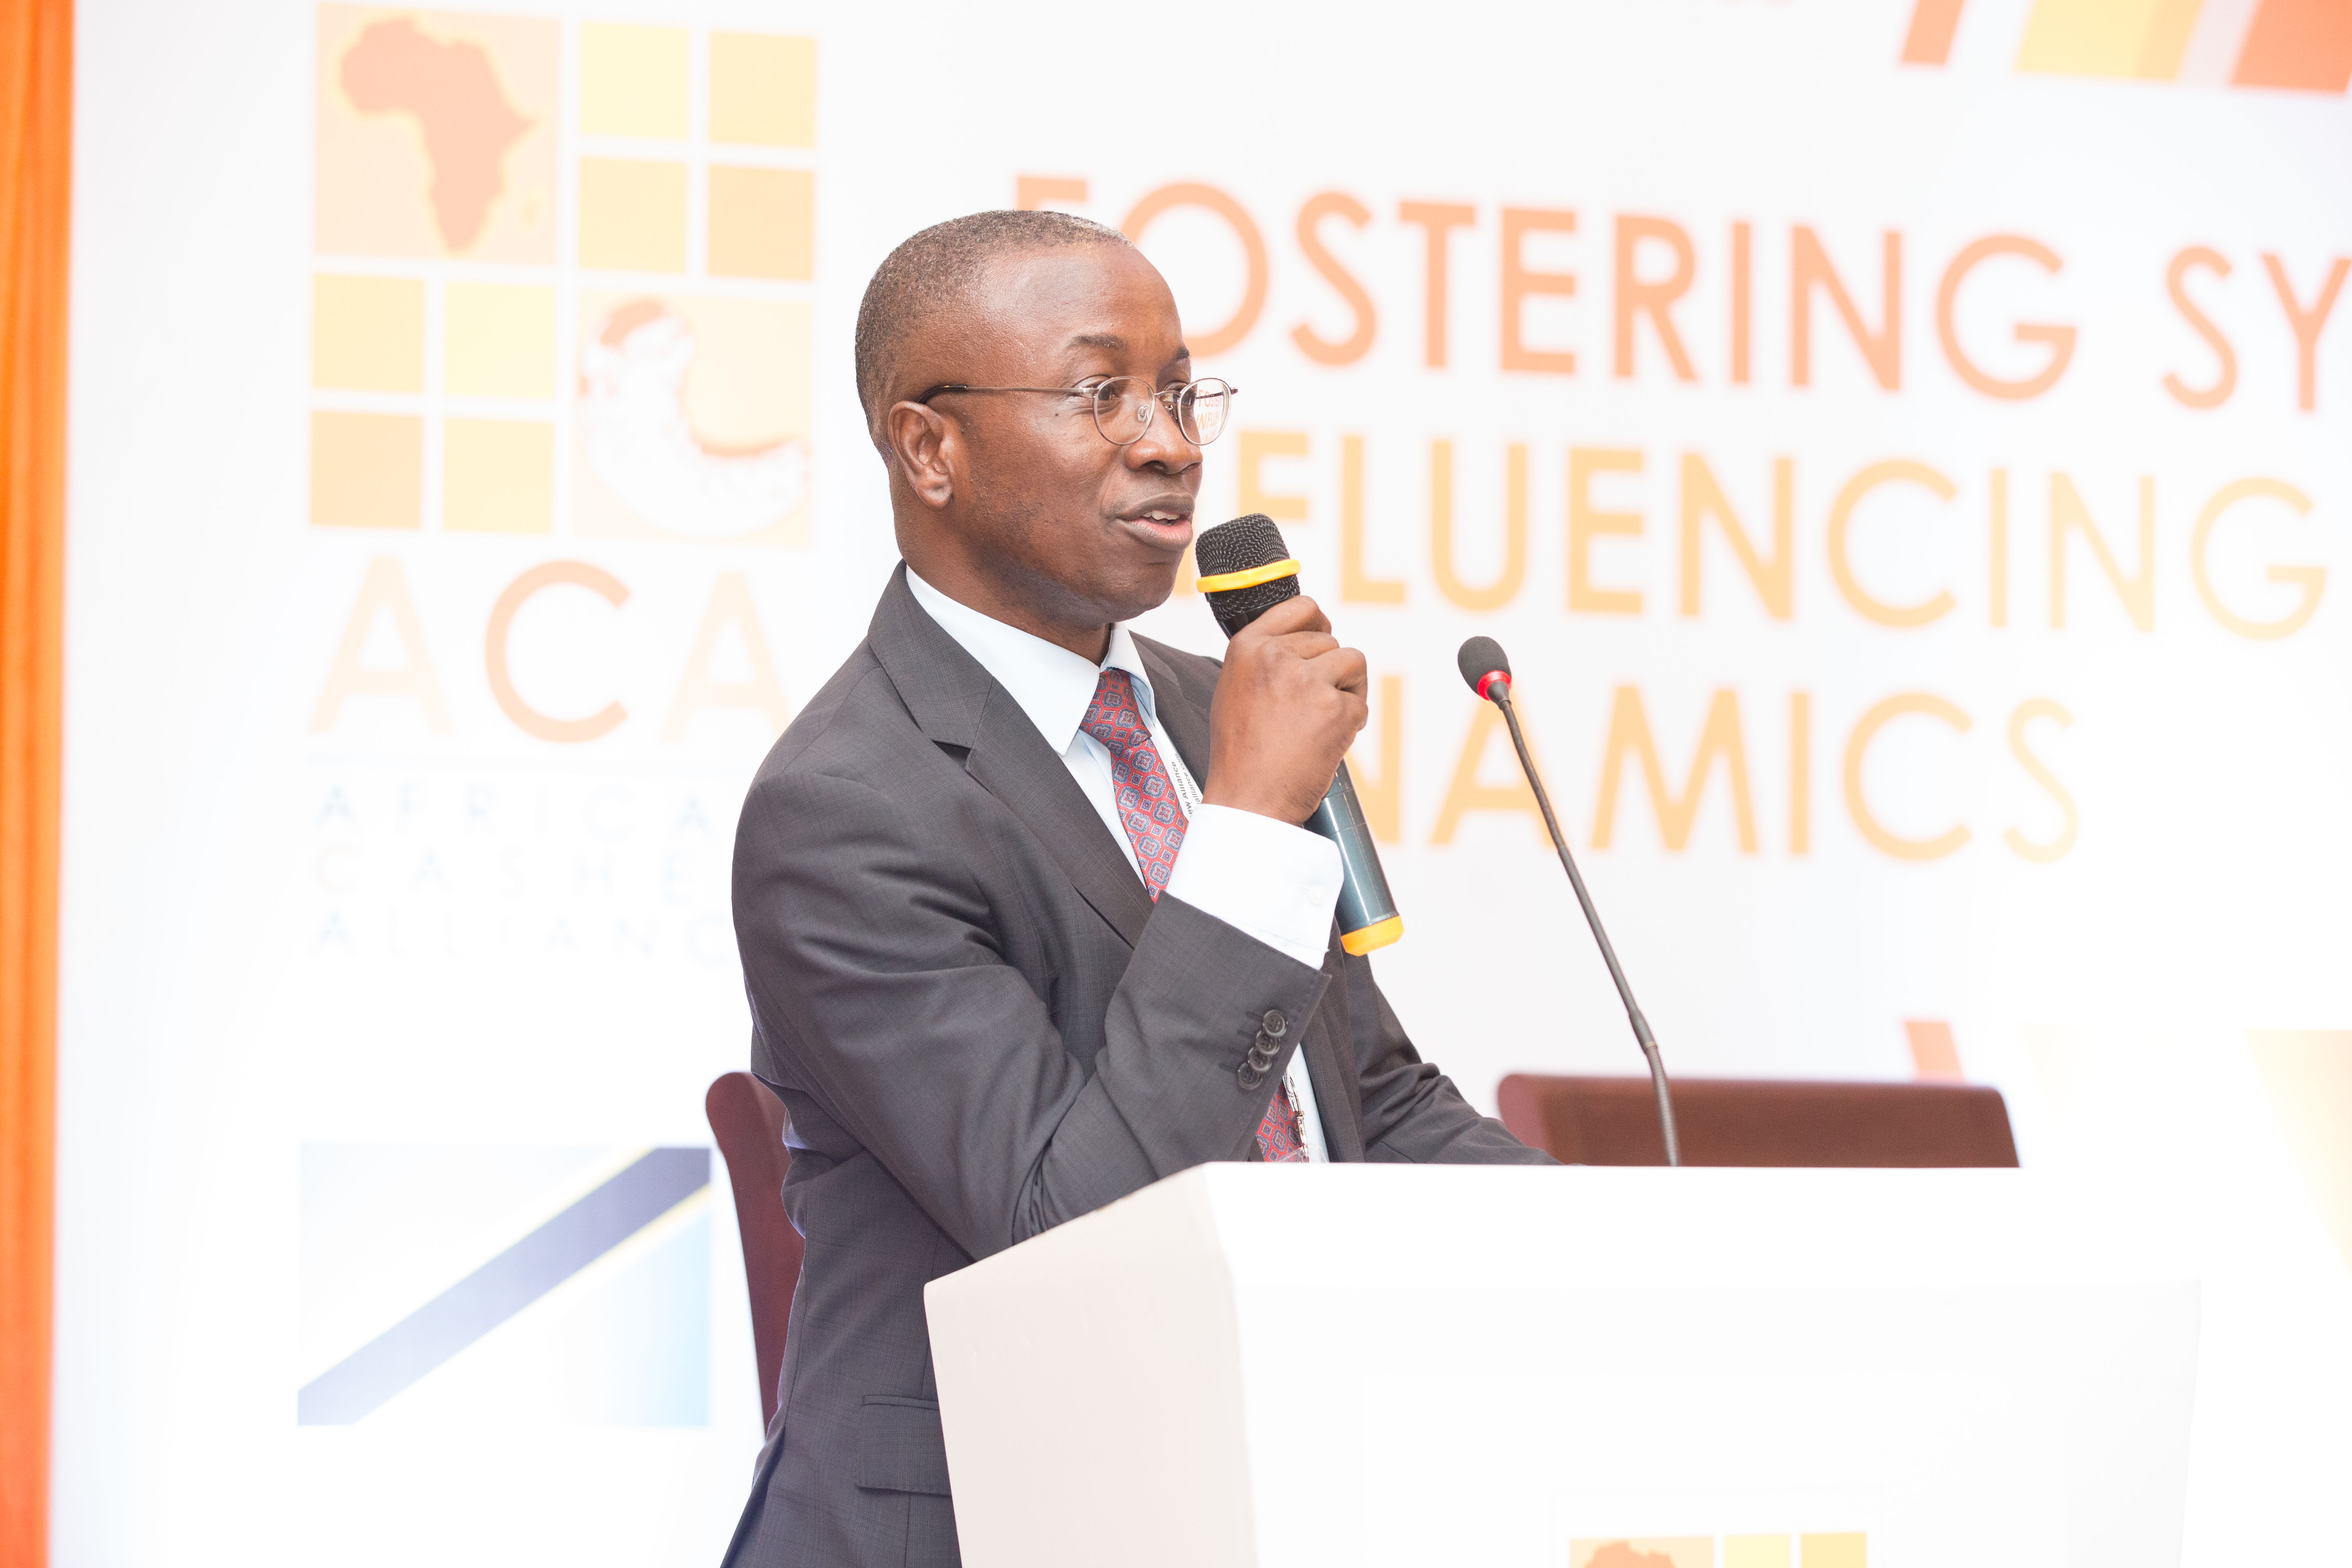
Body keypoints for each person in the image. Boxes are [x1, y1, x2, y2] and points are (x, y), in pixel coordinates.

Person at [722, 209, 1550, 1568]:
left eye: (1178, 391)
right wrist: (1250, 823)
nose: (1170, 443)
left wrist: (1631, 1254)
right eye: (1101, 393)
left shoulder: (1214, 711)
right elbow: (1072, 1231)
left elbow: (1368, 1108)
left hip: (1267, 1489)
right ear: (928, 448)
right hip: (987, 1526)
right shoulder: (846, 809)